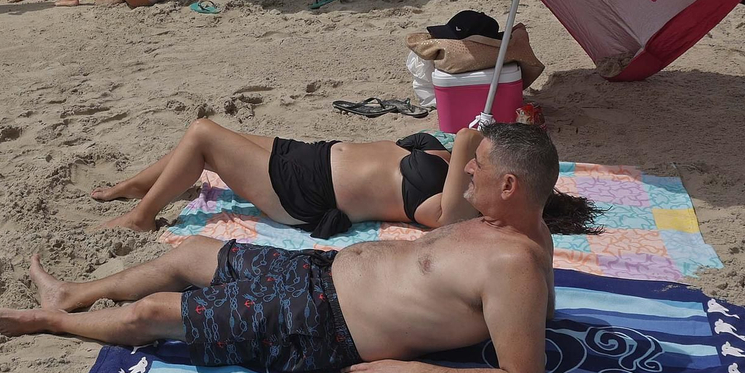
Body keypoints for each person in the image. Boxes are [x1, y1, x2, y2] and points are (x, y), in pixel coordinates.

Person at [0, 125, 561, 373]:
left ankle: (54, 322)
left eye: (477, 169)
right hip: (317, 273)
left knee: (152, 314)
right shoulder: (522, 229)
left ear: (509, 185)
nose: (465, 174)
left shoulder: (514, 261)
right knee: (188, 254)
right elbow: (542, 310)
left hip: (322, 326)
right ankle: (74, 295)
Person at [90, 115, 596, 236]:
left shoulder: (455, 207)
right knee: (209, 140)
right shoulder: (461, 174)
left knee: (203, 134)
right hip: (307, 157)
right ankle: (137, 186)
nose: (474, 159)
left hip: (303, 191)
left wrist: (464, 142)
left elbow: (444, 223)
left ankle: (140, 215)